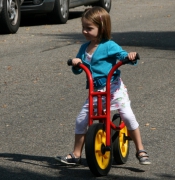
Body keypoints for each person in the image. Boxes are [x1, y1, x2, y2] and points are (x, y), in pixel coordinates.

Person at [55, 6, 151, 165]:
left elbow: (122, 56)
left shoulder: (109, 45)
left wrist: (130, 56)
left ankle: (140, 149)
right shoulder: (84, 48)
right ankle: (76, 154)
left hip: (114, 89)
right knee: (81, 120)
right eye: (83, 27)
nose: (85, 31)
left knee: (127, 116)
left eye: (89, 28)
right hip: (96, 92)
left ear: (102, 28)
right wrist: (76, 63)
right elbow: (79, 69)